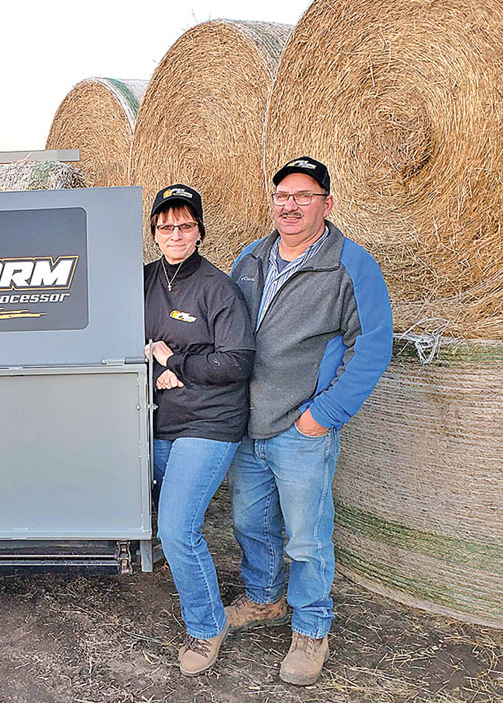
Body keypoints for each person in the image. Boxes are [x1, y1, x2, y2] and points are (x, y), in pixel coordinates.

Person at [228, 157, 393, 686]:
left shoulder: (351, 265)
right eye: (281, 195)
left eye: (303, 195)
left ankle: (311, 627)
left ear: (326, 202)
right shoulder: (250, 258)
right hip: (247, 424)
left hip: (301, 427)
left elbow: (371, 345)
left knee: (307, 536)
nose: (289, 205)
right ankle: (263, 599)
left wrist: (323, 415)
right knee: (250, 523)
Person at [143, 184, 255, 676]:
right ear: (153, 233)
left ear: (200, 230)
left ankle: (207, 626)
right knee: (168, 519)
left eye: (185, 225)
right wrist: (153, 366)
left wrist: (177, 361)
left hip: (208, 422)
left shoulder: (218, 288)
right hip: (157, 418)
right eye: (166, 226)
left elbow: (238, 361)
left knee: (176, 527)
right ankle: (183, 568)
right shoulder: (142, 280)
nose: (175, 234)